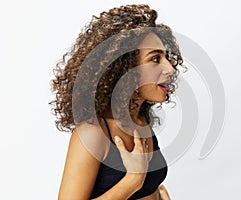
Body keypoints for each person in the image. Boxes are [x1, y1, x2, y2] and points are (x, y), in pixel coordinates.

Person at [49, 4, 184, 200]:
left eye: (166, 57)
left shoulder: (140, 120)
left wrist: (160, 193)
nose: (170, 68)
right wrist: (132, 181)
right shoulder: (93, 133)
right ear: (123, 67)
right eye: (155, 59)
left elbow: (151, 188)